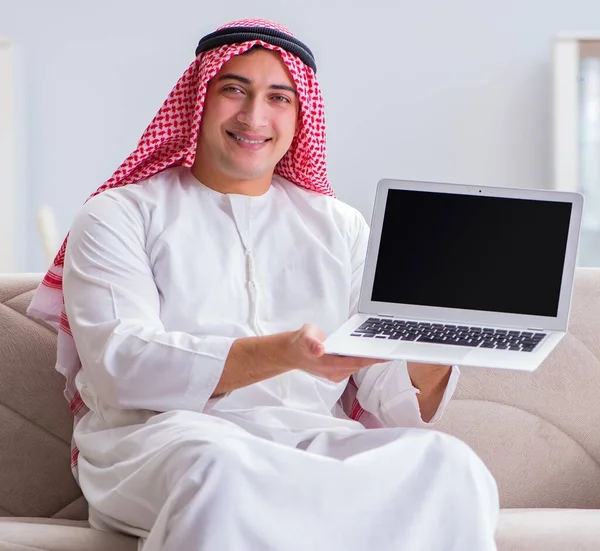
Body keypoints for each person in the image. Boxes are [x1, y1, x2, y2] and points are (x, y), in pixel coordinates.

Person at [28, 18, 499, 551]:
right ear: (200, 98)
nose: (255, 116)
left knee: (448, 465)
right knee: (221, 471)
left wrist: (433, 345)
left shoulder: (339, 226)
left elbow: (389, 398)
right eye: (235, 90)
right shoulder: (119, 214)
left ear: (301, 117)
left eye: (279, 97)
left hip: (309, 443)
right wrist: (283, 353)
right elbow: (122, 366)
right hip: (163, 442)